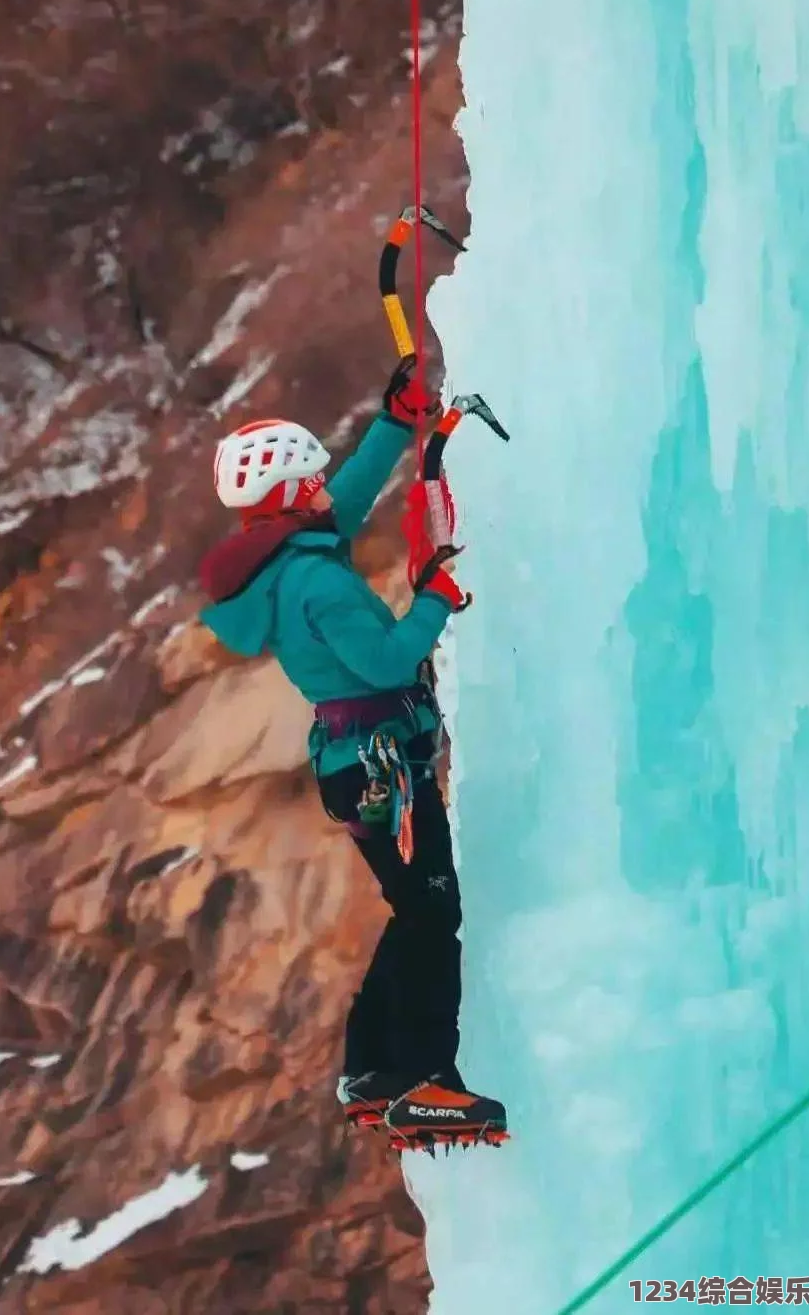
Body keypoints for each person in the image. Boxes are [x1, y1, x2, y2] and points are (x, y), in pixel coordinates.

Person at [198, 358, 505, 1145]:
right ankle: (425, 1078)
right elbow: (390, 660)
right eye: (312, 480)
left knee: (418, 910)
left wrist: (395, 422)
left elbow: (353, 498)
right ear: (290, 496)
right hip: (384, 770)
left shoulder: (282, 565)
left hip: (353, 765)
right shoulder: (318, 584)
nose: (324, 487)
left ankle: (373, 1074)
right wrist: (439, 598)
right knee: (435, 914)